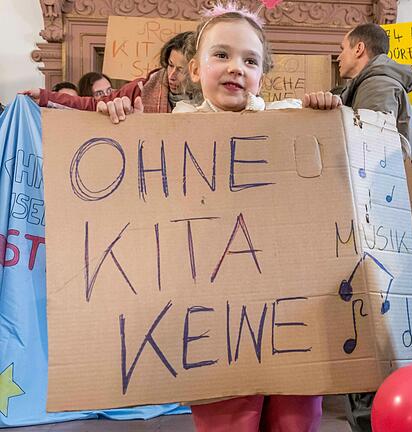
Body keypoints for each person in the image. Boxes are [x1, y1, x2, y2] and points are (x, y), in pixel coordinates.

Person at [96, 4, 339, 429]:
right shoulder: (169, 132)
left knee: (296, 422)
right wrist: (116, 122)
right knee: (230, 422)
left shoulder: (290, 123)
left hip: (292, 314)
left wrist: (323, 114)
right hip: (213, 323)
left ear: (263, 74)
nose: (236, 68)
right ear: (194, 68)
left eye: (250, 60)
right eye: (221, 55)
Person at [303, 23, 412, 157]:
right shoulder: (373, 84)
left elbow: (371, 153)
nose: (339, 57)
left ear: (358, 49)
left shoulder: (377, 86)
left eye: (343, 49)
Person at [20, 31, 193, 119]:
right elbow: (91, 105)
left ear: (198, 70)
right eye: (170, 65)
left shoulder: (215, 96)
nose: (171, 75)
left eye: (181, 70)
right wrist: (44, 97)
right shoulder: (141, 88)